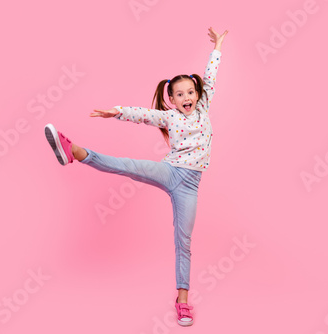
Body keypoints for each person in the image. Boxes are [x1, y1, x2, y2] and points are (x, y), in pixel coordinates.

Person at [44, 26, 228, 326]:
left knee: (184, 241)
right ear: (171, 99)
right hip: (170, 171)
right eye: (179, 94)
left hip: (190, 186)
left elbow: (211, 76)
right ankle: (76, 152)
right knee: (128, 165)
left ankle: (182, 300)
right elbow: (143, 114)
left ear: (197, 95)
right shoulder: (169, 117)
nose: (187, 97)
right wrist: (115, 111)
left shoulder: (204, 106)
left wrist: (217, 47)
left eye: (190, 93)